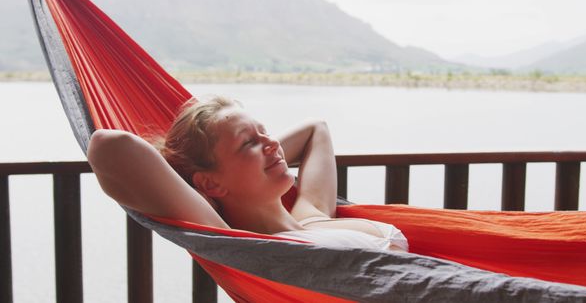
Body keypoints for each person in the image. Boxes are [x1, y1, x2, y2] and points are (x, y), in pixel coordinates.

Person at [87, 95, 408, 252]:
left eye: (265, 132)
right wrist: (252, 162)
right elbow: (109, 145)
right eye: (249, 142)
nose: (271, 143)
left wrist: (255, 154)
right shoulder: (247, 248)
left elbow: (316, 129)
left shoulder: (311, 216)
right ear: (210, 183)